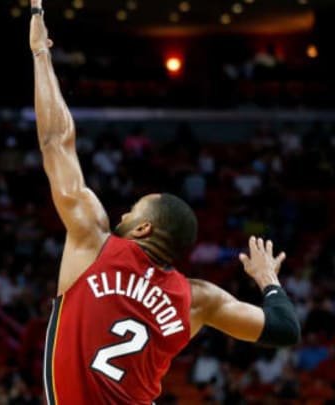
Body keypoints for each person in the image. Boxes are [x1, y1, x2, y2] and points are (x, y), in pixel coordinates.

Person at [28, 2, 300, 404]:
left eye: (132, 210)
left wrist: (40, 53)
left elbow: (55, 141)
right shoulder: (198, 298)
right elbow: (284, 330)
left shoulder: (93, 241)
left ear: (144, 228)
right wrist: (269, 282)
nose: (122, 213)